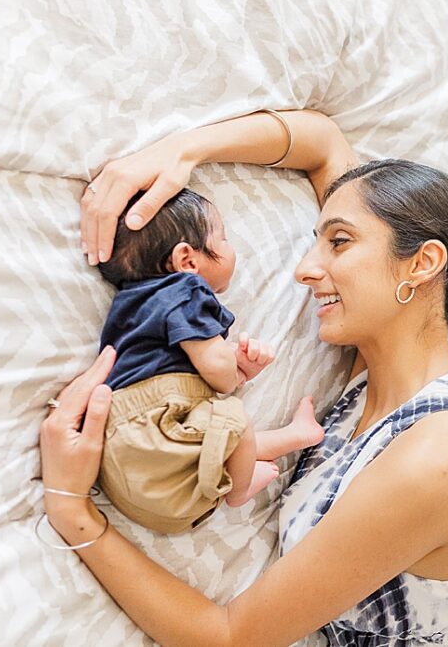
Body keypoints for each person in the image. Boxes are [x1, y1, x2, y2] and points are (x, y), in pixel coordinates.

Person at [40, 109, 448, 645]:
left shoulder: (438, 458)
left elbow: (231, 637)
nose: (304, 268)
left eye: (340, 242)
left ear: (422, 264)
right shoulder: (375, 377)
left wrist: (71, 508)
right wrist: (182, 153)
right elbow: (324, 144)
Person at [92, 187, 324, 533]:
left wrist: (238, 368)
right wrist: (233, 372)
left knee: (220, 436)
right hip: (158, 426)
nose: (233, 249)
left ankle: (298, 435)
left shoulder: (130, 304)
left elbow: (177, 366)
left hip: (132, 465)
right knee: (234, 423)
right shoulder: (187, 290)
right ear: (188, 260)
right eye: (224, 239)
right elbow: (218, 375)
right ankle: (239, 490)